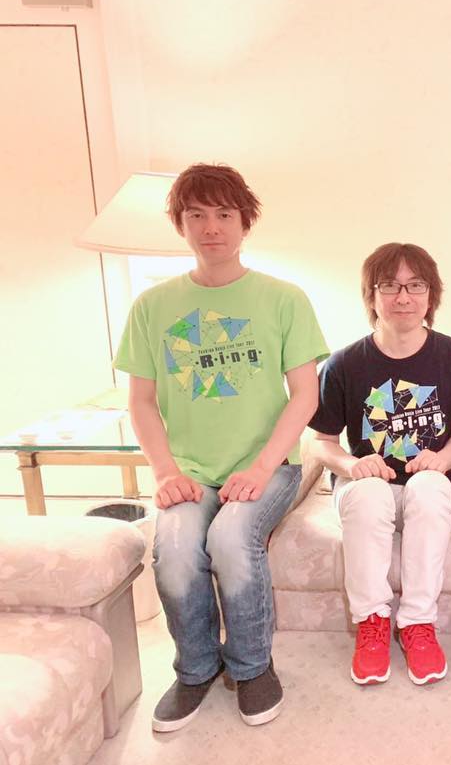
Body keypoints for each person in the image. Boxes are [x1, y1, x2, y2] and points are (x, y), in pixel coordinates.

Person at [116, 163, 329, 731]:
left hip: (268, 466)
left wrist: (260, 469)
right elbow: (142, 402)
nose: (211, 227)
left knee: (232, 539)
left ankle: (252, 666)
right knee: (176, 547)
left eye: (224, 214)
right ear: (180, 224)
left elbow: (305, 396)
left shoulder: (283, 299)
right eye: (197, 215)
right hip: (188, 469)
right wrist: (165, 472)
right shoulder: (152, 307)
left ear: (244, 221)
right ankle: (196, 669)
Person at [308, 243, 451, 686]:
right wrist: (351, 465)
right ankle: (372, 622)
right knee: (369, 494)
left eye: (415, 286)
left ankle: (418, 623)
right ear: (371, 295)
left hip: (427, 483)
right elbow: (321, 442)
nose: (403, 297)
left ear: (431, 294)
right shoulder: (344, 364)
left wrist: (441, 459)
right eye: (389, 286)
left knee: (430, 486)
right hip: (367, 485)